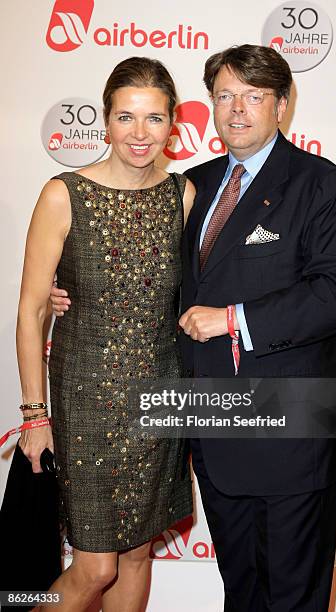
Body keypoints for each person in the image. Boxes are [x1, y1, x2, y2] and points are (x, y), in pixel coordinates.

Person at [51, 45, 336, 611]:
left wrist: (234, 320)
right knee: (242, 590)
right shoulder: (191, 188)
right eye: (225, 96)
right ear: (210, 106)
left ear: (281, 105)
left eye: (254, 96)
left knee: (294, 594)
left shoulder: (323, 184)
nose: (238, 110)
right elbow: (151, 275)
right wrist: (74, 292)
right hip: (214, 420)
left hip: (296, 422)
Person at [17, 56, 194, 612]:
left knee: (138, 556)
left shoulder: (183, 198)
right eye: (125, 117)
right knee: (94, 568)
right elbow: (29, 311)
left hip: (159, 398)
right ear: (104, 120)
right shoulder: (63, 193)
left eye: (154, 119)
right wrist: (34, 416)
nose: (139, 134)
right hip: (85, 402)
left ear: (173, 124)